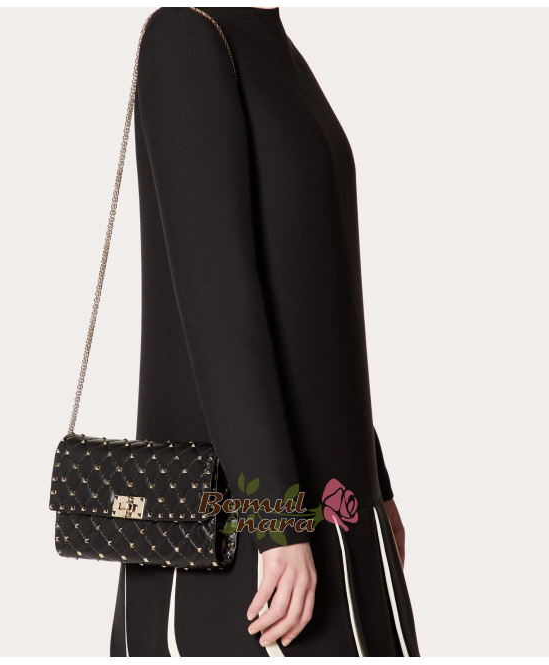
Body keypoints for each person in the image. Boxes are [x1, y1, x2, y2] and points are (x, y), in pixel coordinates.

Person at [110, 6, 420, 657]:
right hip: (243, 535)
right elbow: (217, 303)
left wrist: (374, 482)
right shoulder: (186, 37)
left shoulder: (272, 42)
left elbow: (314, 306)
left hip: (331, 509)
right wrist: (275, 522)